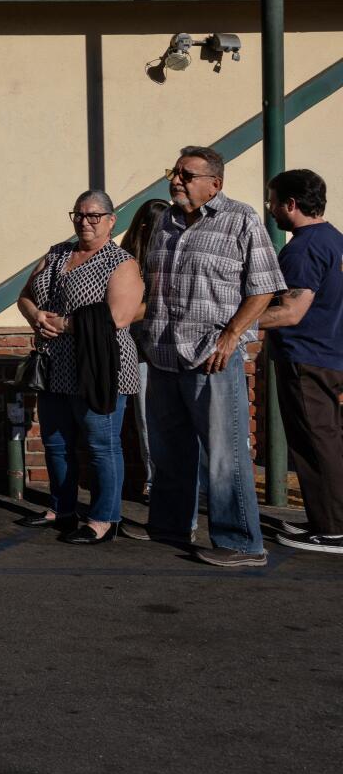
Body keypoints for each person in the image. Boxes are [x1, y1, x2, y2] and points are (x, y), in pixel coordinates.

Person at [126, 146, 283, 567]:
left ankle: (243, 542)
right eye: (173, 172)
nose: (175, 180)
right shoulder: (165, 221)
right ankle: (171, 524)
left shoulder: (242, 219)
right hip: (162, 352)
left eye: (186, 174)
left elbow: (264, 286)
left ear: (215, 183)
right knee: (169, 448)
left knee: (223, 454)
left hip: (210, 356)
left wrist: (232, 336)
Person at [13, 191, 144, 544]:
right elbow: (25, 294)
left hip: (99, 366)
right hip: (54, 363)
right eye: (79, 215)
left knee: (102, 444)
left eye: (94, 216)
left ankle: (104, 518)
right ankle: (62, 507)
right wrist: (36, 315)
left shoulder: (120, 262)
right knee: (56, 442)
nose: (84, 222)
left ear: (111, 220)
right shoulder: (57, 253)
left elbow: (119, 316)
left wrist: (65, 324)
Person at [257, 169, 343, 553]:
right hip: (327, 355)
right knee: (323, 440)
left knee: (316, 443)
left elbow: (291, 312)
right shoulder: (334, 240)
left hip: (307, 357)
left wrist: (235, 323)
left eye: (274, 200)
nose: (271, 209)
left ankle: (334, 530)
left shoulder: (304, 247)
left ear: (291, 204)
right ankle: (323, 520)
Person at [118, 198, 169, 499]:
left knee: (160, 419)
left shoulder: (164, 257)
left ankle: (161, 480)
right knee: (145, 418)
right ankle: (153, 480)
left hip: (163, 347)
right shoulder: (129, 261)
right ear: (147, 227)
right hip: (137, 348)